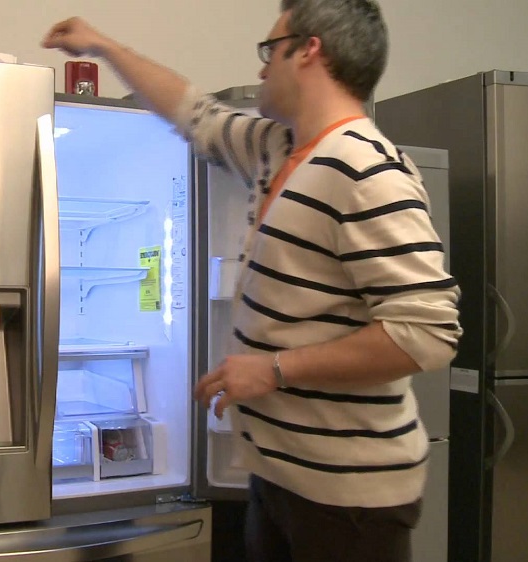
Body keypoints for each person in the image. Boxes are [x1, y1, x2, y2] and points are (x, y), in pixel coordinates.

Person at [42, 2, 462, 561]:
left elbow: (427, 333)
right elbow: (195, 114)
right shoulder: (278, 150)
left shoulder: (367, 172)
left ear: (309, 50)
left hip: (348, 493)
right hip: (281, 475)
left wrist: (274, 368)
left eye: (271, 50)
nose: (262, 69)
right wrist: (105, 47)